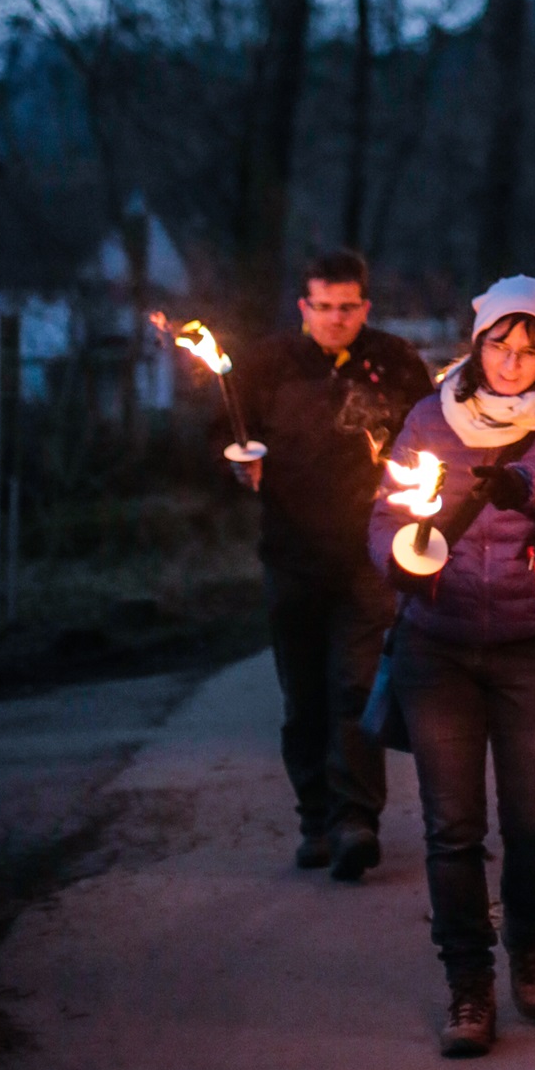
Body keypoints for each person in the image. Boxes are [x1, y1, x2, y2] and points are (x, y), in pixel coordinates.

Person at [368, 276, 535, 1057]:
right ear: (478, 343)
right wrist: (401, 559)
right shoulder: (431, 416)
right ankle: (467, 983)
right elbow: (388, 511)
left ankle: (527, 935)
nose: (512, 359)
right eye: (501, 342)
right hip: (439, 645)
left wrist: (524, 482)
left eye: (530, 346)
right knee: (452, 826)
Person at [228, 249, 432, 881]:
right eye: (324, 307)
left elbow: (430, 434)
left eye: (349, 308)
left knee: (358, 685)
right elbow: (222, 430)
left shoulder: (395, 364)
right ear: (304, 307)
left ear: (365, 307)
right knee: (303, 698)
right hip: (291, 555)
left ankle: (355, 821)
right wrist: (236, 461)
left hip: (369, 556)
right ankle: (315, 816)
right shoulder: (265, 368)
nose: (337, 319)